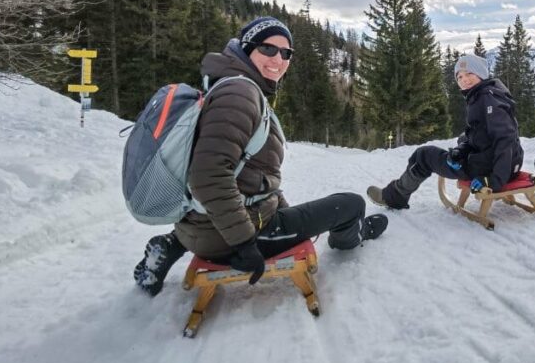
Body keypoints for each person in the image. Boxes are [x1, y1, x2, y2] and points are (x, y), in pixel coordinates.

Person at [134, 16, 388, 296]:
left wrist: (283, 209)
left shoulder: (230, 85)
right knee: (350, 204)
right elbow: (208, 174)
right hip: (233, 238)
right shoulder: (240, 93)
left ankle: (173, 243)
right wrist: (244, 244)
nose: (278, 59)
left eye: (286, 53)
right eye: (268, 49)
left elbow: (247, 173)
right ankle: (356, 234)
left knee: (280, 202)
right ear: (247, 48)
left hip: (198, 226)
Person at [366, 54, 524, 209]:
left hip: (488, 170)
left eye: (469, 74)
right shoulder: (487, 94)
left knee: (423, 155)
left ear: (481, 74)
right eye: (459, 77)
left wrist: (493, 181)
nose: (464, 80)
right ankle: (461, 155)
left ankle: (394, 197)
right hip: (502, 164)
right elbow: (480, 135)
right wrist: (460, 151)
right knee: (462, 139)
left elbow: (505, 140)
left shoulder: (487, 100)